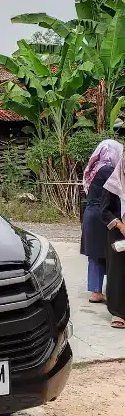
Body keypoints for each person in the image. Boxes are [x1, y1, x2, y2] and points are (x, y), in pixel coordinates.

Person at [81, 139, 123, 303]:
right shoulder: (108, 170)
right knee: (111, 253)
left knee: (95, 254)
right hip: (102, 215)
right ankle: (109, 292)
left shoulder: (94, 168)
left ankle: (96, 291)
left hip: (91, 214)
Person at [101, 154, 125, 328]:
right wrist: (120, 225)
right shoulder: (112, 184)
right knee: (117, 272)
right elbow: (104, 211)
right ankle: (118, 313)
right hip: (118, 233)